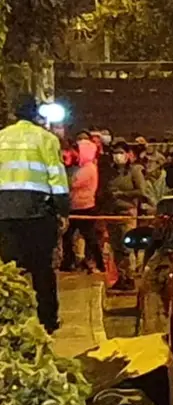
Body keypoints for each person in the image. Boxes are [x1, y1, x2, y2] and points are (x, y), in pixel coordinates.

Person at [0, 95, 70, 333]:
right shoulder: (46, 139)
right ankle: (47, 319)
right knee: (42, 269)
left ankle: (11, 319)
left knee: (10, 270)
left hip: (5, 213)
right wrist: (63, 211)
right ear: (35, 114)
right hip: (37, 212)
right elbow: (57, 179)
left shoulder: (1, 138)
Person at [104, 141, 147, 292]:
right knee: (116, 248)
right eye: (115, 153)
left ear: (128, 155)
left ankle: (130, 278)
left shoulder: (134, 171)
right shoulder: (110, 172)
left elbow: (141, 191)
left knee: (127, 247)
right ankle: (121, 278)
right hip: (112, 214)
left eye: (121, 153)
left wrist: (122, 194)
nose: (118, 156)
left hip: (127, 213)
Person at [62, 134, 104, 273]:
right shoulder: (80, 167)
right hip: (75, 206)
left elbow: (72, 183)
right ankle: (69, 261)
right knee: (68, 236)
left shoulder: (88, 168)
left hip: (84, 207)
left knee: (89, 237)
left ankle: (98, 263)